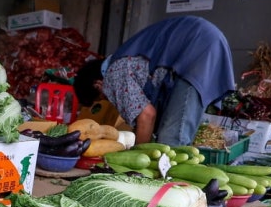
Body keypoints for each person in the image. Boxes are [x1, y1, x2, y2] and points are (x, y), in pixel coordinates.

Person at [73, 16, 235, 146]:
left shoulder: (113, 73)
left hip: (198, 48)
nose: (109, 99)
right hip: (206, 40)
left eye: (102, 97)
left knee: (171, 139)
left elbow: (147, 115)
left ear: (98, 85)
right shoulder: (121, 61)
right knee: (169, 136)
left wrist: (137, 156)